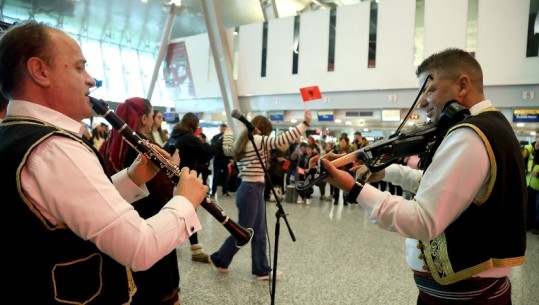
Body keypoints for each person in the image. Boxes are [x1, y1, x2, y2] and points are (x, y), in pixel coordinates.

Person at [0, 20, 208, 303]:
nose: (91, 80)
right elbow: (139, 248)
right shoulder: (55, 148)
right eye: (78, 67)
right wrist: (185, 199)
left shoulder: (13, 133)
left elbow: (69, 206)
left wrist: (131, 178)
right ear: (40, 71)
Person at [317, 48, 526, 304]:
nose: (422, 102)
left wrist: (353, 188)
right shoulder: (491, 124)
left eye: (430, 90)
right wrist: (387, 171)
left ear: (462, 85)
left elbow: (423, 221)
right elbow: (445, 190)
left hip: (462, 297)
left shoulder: (468, 136)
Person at [209, 110, 312, 280]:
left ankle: (261, 269)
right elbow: (282, 140)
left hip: (252, 189)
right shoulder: (256, 140)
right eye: (268, 131)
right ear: (262, 128)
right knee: (243, 232)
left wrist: (228, 133)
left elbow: (228, 149)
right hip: (250, 189)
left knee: (258, 231)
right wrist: (305, 123)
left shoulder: (245, 141)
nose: (269, 135)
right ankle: (221, 258)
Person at [100, 97, 182, 305]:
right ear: (144, 118)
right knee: (157, 278)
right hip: (151, 218)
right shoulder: (145, 145)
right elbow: (162, 189)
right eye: (153, 114)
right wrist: (173, 168)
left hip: (122, 218)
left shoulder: (109, 143)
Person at [164, 112, 221, 263]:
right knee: (189, 214)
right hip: (183, 181)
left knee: (181, 214)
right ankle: (195, 250)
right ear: (193, 125)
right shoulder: (188, 137)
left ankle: (184, 246)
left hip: (171, 180)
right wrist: (222, 141)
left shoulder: (174, 135)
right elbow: (208, 151)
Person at [210, 123, 232, 197]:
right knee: (216, 175)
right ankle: (213, 192)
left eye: (224, 129)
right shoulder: (216, 137)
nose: (223, 130)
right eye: (221, 129)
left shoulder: (229, 138)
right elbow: (213, 146)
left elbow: (232, 147)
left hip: (226, 159)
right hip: (218, 159)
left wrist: (231, 158)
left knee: (225, 176)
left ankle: (225, 191)